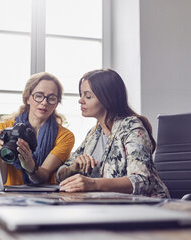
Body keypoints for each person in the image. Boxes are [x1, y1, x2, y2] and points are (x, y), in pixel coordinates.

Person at [57, 69, 170, 198]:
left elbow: (141, 180)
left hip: (147, 207)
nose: (80, 100)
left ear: (107, 98)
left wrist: (93, 184)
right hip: (108, 206)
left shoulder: (131, 127)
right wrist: (73, 168)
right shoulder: (94, 134)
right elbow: (60, 174)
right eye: (81, 95)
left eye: (87, 96)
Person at [0, 72, 74, 185]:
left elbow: (43, 176)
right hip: (10, 195)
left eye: (51, 98)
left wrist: (30, 166)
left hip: (47, 198)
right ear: (27, 98)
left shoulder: (65, 136)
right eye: (39, 96)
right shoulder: (3, 128)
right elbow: (0, 178)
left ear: (56, 104)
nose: (44, 102)